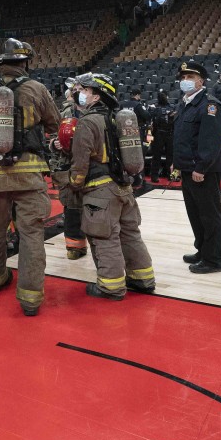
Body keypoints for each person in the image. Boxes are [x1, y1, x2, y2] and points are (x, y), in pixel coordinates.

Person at [0, 38, 60, 316]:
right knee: (31, 233)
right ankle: (30, 298)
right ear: (24, 63)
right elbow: (54, 124)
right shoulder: (36, 88)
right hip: (29, 173)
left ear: (2, 64)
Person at [68, 72, 155, 300]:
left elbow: (80, 162)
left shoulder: (88, 122)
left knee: (104, 238)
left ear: (96, 96)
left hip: (100, 192)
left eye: (84, 90)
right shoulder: (119, 118)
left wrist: (74, 184)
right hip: (124, 189)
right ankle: (143, 278)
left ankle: (111, 287)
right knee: (130, 234)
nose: (79, 93)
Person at [171, 60, 221, 274]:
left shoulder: (210, 105)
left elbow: (211, 142)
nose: (185, 81)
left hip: (203, 171)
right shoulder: (184, 103)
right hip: (187, 168)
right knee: (195, 214)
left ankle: (213, 260)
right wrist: (176, 163)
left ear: (201, 81)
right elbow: (182, 138)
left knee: (209, 216)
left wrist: (201, 168)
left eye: (190, 77)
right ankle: (202, 250)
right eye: (183, 77)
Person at [50, 77, 88, 260]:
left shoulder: (99, 110)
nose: (79, 92)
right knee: (72, 208)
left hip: (94, 166)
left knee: (96, 208)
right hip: (69, 165)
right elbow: (54, 135)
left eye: (83, 89)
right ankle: (75, 247)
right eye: (77, 89)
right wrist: (54, 143)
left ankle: (102, 246)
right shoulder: (65, 112)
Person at [146, 90, 175, 180]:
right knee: (157, 156)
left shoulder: (172, 107)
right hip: (158, 133)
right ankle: (154, 176)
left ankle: (171, 175)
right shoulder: (154, 107)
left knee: (170, 156)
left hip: (169, 133)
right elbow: (149, 122)